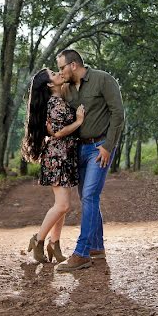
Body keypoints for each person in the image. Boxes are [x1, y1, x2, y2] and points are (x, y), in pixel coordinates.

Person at [54, 48, 125, 272]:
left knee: (90, 195)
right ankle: (96, 247)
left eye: (61, 67)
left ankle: (82, 252)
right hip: (79, 150)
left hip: (99, 148)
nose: (60, 72)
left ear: (73, 65)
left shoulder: (103, 80)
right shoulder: (66, 90)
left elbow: (118, 114)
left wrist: (108, 146)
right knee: (87, 199)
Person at [21, 68, 86, 264]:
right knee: (63, 205)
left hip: (64, 156)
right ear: (50, 84)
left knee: (63, 206)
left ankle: (54, 244)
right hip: (57, 157)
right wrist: (80, 121)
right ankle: (39, 239)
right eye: (53, 74)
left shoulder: (59, 99)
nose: (58, 73)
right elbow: (58, 133)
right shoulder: (54, 104)